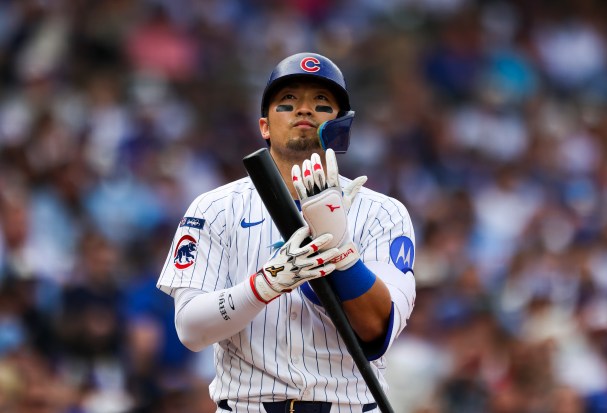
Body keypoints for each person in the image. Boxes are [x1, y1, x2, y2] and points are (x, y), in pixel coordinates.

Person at [157, 52, 417, 413]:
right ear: (264, 126)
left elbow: (378, 332)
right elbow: (190, 329)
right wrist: (266, 283)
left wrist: (340, 252)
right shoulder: (214, 207)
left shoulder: (383, 212)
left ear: (341, 124)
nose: (304, 110)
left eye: (322, 104)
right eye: (288, 102)